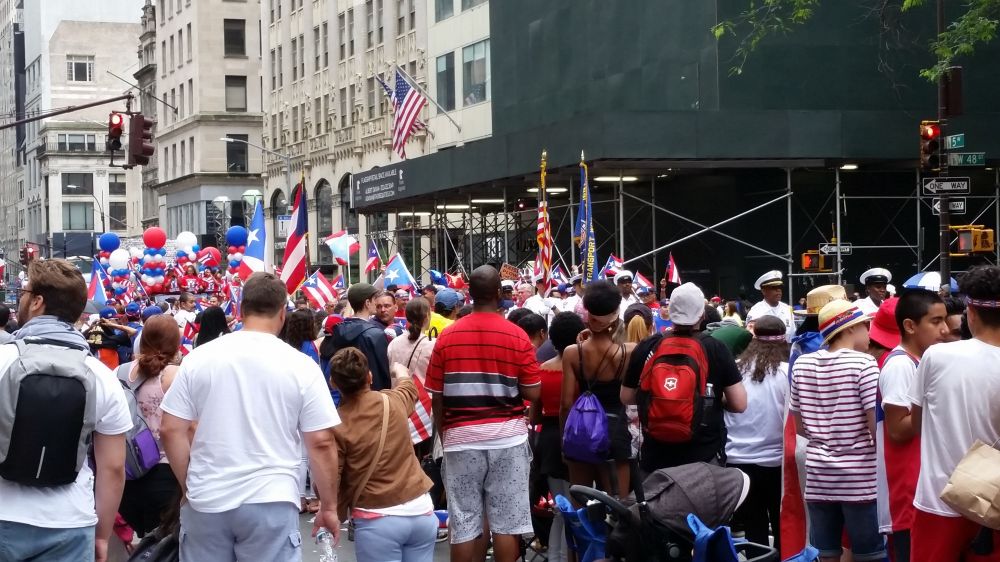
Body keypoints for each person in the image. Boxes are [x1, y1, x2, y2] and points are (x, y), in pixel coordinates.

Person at [160, 272, 343, 561]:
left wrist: (188, 484)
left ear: (241, 309)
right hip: (271, 498)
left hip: (207, 497)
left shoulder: (198, 358)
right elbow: (321, 441)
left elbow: (171, 429)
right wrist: (329, 506)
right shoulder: (301, 365)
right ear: (282, 313)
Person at [0, 259, 132, 562]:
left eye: (24, 292)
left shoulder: (3, 359)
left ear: (37, 302)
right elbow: (113, 468)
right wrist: (102, 535)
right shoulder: (101, 376)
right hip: (70, 522)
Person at [425, 265, 541, 562]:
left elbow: (437, 396)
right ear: (499, 294)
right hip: (508, 439)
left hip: (460, 438)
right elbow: (533, 392)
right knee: (507, 524)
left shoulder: (447, 337)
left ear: (469, 293)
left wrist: (446, 435)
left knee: (464, 522)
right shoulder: (517, 335)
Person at [907, 266, 1000, 561]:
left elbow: (918, 423)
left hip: (938, 499)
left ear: (970, 313)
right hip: (993, 503)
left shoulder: (937, 356)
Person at [789, 299, 885, 562]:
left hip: (818, 476)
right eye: (866, 326)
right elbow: (874, 427)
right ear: (849, 328)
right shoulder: (865, 364)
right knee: (870, 555)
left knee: (826, 554)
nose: (870, 333)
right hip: (860, 479)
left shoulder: (802, 364)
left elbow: (800, 427)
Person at [621, 282, 747, 473]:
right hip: (703, 458)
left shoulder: (648, 345)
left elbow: (626, 397)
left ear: (670, 312)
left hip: (656, 458)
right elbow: (739, 404)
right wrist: (711, 398)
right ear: (702, 315)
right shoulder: (717, 348)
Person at [329, 350, 437, 562]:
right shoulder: (392, 401)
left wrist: (331, 509)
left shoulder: (337, 425)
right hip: (421, 509)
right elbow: (409, 388)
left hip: (376, 518)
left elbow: (331, 478)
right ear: (369, 377)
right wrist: (400, 371)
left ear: (333, 383)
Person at [875, 289, 948, 562]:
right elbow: (897, 430)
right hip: (907, 490)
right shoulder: (900, 366)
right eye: (935, 321)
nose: (943, 329)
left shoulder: (919, 361)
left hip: (919, 485)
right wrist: (937, 405)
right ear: (909, 326)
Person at [561, 280, 635, 498]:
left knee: (580, 507)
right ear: (616, 314)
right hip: (615, 432)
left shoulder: (572, 353)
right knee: (618, 506)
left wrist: (564, 441)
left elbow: (566, 404)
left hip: (581, 432)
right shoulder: (629, 352)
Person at [725, 316, 789, 554]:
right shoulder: (787, 372)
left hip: (738, 460)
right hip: (776, 462)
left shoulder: (735, 368)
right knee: (783, 524)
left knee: (754, 527)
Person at [117, 315, 182, 539]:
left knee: (144, 543)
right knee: (165, 546)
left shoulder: (119, 372)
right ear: (175, 343)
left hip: (127, 473)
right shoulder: (175, 376)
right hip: (166, 471)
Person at [533, 311, 585, 562]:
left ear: (552, 339)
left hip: (549, 439)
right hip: (579, 437)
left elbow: (534, 416)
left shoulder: (542, 370)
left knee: (559, 509)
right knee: (576, 508)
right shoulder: (582, 369)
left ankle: (555, 557)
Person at [325, 283, 392, 390]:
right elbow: (385, 373)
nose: (376, 302)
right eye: (374, 299)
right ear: (367, 303)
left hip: (347, 394)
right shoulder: (375, 334)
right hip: (373, 394)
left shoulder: (338, 330)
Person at [387, 298, 436, 384]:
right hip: (421, 392)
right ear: (427, 316)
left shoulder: (394, 343)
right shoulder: (433, 345)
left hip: (398, 391)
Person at [745, 270, 795, 340]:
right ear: (763, 291)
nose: (778, 290)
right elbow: (751, 338)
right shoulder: (756, 311)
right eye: (774, 287)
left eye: (780, 287)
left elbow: (792, 335)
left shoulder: (787, 309)